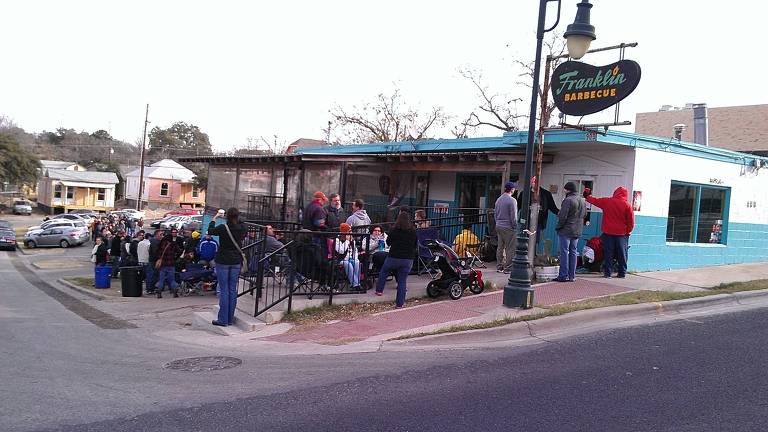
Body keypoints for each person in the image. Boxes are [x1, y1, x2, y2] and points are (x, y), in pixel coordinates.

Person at [207, 207, 246, 327]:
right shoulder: (242, 227)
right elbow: (243, 224)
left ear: (227, 216)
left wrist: (214, 218)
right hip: (236, 261)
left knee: (224, 290)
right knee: (232, 289)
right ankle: (229, 318)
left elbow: (210, 231)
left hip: (223, 260)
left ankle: (223, 319)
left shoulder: (223, 228)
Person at [584, 186, 635, 278]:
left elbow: (595, 201)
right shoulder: (627, 205)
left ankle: (608, 273)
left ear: (615, 193)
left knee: (608, 253)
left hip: (608, 233)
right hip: (622, 234)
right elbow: (630, 222)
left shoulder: (607, 201)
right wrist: (628, 232)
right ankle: (622, 273)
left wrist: (587, 197)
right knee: (622, 254)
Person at [374, 212, 417, 308]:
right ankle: (400, 304)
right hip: (408, 259)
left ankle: (379, 290)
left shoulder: (394, 230)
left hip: (394, 256)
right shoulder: (413, 231)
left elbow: (388, 242)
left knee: (384, 271)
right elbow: (415, 245)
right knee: (402, 281)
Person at [554, 182, 586, 282]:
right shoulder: (582, 200)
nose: (564, 191)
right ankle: (572, 275)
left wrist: (559, 227)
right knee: (573, 252)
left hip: (566, 229)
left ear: (568, 190)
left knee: (564, 252)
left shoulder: (568, 200)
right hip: (577, 230)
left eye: (565, 189)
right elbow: (584, 215)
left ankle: (563, 275)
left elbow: (562, 216)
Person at [494, 181, 518, 272]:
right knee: (510, 248)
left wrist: (498, 223)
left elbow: (495, 214)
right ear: (512, 190)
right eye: (514, 188)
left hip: (499, 226)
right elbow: (513, 216)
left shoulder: (498, 200)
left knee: (500, 247)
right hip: (508, 227)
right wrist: (515, 227)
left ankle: (499, 266)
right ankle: (508, 268)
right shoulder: (512, 201)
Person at [334, 223, 361, 290]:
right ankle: (356, 285)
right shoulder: (337, 239)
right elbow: (341, 251)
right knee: (348, 264)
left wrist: (355, 258)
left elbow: (355, 251)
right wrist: (346, 241)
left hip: (350, 258)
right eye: (349, 231)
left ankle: (355, 283)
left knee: (357, 262)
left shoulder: (352, 239)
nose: (351, 232)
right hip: (340, 259)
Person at [155, 231, 181, 298]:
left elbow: (157, 253)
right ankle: (175, 292)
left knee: (161, 279)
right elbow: (179, 251)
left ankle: (159, 292)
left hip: (163, 264)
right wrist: (175, 257)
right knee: (172, 279)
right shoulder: (173, 244)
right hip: (171, 264)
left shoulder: (161, 244)